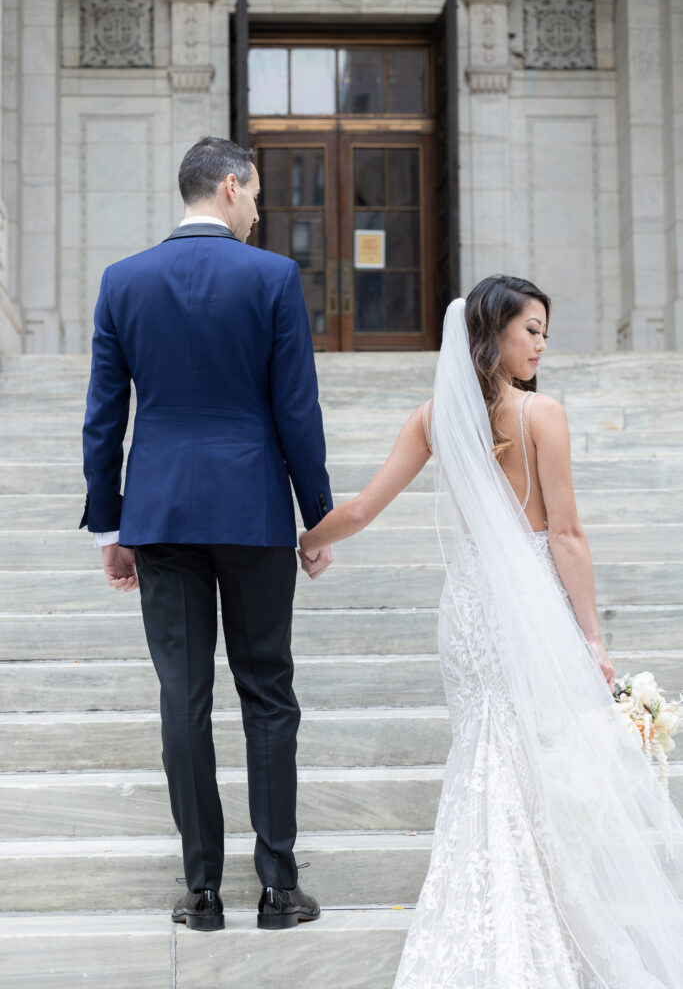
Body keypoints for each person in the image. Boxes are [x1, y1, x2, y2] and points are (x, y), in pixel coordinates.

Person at [299, 276, 683, 987]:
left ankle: (502, 909)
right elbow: (564, 534)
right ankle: (531, 917)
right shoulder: (543, 415)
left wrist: (305, 540)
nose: (539, 342)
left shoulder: (434, 417)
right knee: (514, 761)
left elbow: (360, 510)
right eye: (529, 328)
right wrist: (592, 641)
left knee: (486, 754)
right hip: (527, 603)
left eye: (543, 330)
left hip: (470, 606)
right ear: (493, 333)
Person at [81, 136, 333, 932]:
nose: (259, 209)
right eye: (255, 193)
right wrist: (316, 516)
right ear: (228, 187)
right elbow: (297, 408)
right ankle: (278, 888)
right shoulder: (271, 277)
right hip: (253, 510)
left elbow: (102, 419)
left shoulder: (123, 281)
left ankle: (200, 892)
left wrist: (110, 523)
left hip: (160, 514)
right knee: (267, 695)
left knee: (181, 700)